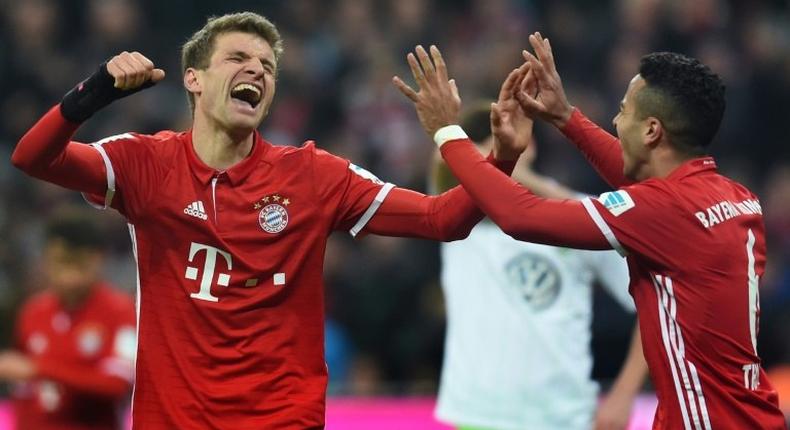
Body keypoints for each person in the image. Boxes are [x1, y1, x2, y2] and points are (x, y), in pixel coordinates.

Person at [11, 12, 517, 428]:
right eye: (237, 58)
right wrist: (93, 93)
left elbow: (441, 219)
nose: (257, 70)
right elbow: (33, 158)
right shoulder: (143, 163)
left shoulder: (313, 175)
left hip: (279, 421)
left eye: (267, 66)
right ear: (195, 78)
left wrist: (500, 159)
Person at [393, 34, 786, 429]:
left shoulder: (662, 211)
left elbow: (520, 216)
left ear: (651, 131)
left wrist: (447, 132)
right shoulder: (736, 198)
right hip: (744, 414)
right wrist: (565, 116)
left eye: (623, 111)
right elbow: (646, 185)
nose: (615, 121)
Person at [431, 104, 647, 430]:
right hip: (475, 414)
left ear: (528, 144)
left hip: (563, 418)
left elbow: (655, 303)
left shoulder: (587, 217)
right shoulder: (458, 211)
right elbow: (440, 164)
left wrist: (625, 392)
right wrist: (482, 161)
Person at [0, 208, 136, 430]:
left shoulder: (120, 312)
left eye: (79, 264)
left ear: (98, 260)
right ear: (46, 261)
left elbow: (116, 385)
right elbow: (24, 389)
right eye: (61, 263)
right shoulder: (33, 312)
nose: (69, 275)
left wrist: (39, 369)